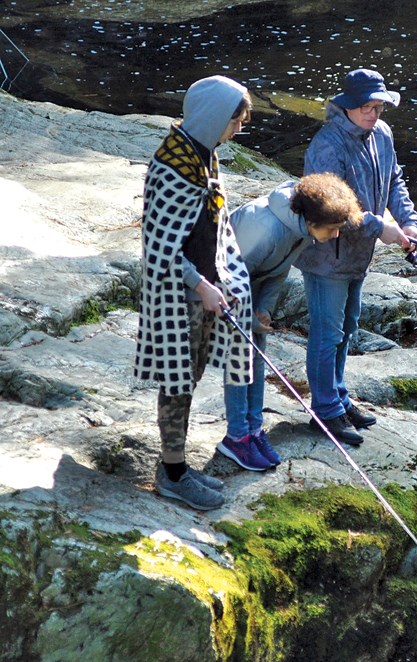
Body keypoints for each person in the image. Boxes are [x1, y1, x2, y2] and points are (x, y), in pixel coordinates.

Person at [134, 75, 254, 510]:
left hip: (204, 287)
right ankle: (172, 472)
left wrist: (221, 279)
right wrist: (200, 284)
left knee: (194, 373)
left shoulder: (207, 156)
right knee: (177, 380)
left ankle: (178, 464)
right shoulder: (171, 165)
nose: (238, 129)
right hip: (177, 293)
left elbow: (212, 229)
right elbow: (159, 245)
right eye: (234, 121)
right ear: (213, 117)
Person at [295, 68, 417, 446]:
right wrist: (379, 227)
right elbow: (328, 209)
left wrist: (408, 223)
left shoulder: (381, 134)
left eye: (379, 107)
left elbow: (395, 179)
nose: (373, 114)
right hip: (326, 256)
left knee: (347, 330)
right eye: (366, 107)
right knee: (327, 333)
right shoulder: (327, 144)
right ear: (348, 105)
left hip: (357, 257)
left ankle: (338, 397)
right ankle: (325, 410)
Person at [218, 173, 363, 469]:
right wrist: (244, 315)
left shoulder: (301, 231)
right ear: (314, 221)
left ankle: (254, 430)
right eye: (333, 229)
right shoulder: (267, 230)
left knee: (257, 356)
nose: (336, 235)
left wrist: (263, 311)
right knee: (239, 357)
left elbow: (278, 271)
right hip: (222, 286)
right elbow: (229, 273)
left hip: (250, 283)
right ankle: (236, 437)